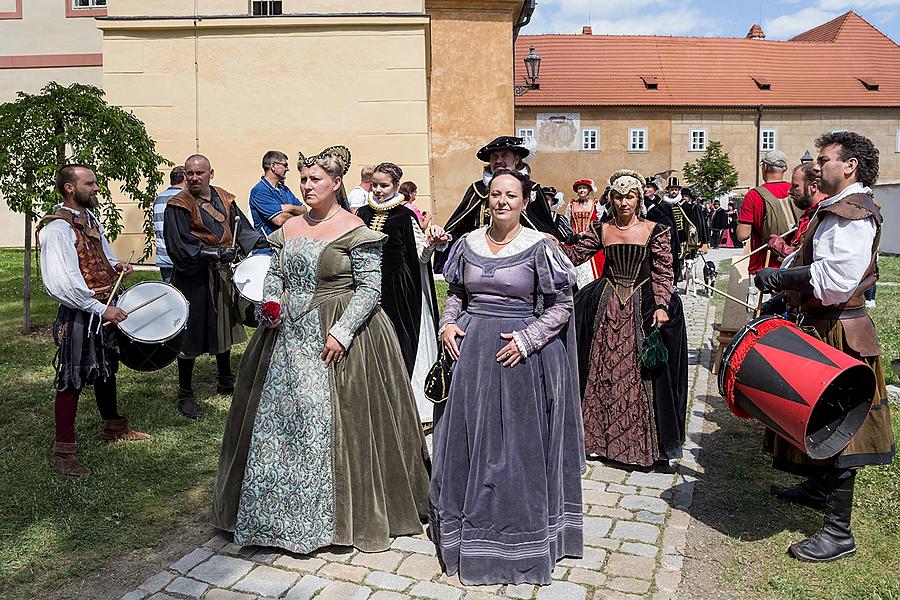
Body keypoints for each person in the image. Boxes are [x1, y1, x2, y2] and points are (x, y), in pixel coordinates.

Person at [211, 146, 429, 554]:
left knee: (325, 419)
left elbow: (369, 289)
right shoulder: (290, 228)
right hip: (285, 337)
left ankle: (332, 518)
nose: (306, 186)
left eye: (315, 180)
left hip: (338, 333)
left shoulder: (354, 229)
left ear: (335, 183)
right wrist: (270, 304)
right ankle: (270, 513)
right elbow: (274, 273)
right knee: (278, 421)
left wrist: (343, 331)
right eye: (304, 179)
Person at [430, 168, 584, 585]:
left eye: (510, 195)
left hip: (520, 361)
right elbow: (457, 293)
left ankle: (520, 541)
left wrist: (528, 339)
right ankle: (465, 536)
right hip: (472, 357)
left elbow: (561, 304)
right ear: (487, 198)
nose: (502, 202)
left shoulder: (539, 246)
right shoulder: (467, 244)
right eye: (496, 194)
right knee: (469, 443)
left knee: (516, 452)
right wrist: (448, 324)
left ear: (524, 201)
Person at [755, 131, 894, 562]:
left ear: (849, 165)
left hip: (840, 332)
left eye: (824, 159)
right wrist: (786, 291)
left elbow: (835, 280)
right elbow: (813, 265)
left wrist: (780, 279)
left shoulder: (851, 212)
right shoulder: (836, 209)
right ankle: (817, 489)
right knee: (817, 416)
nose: (817, 166)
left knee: (840, 428)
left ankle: (838, 533)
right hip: (824, 325)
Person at [561, 170, 684, 468]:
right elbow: (573, 254)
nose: (624, 202)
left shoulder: (656, 230)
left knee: (639, 374)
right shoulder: (603, 229)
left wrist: (661, 305)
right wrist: (543, 241)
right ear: (611, 198)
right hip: (606, 303)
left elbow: (664, 270)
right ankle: (597, 441)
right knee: (601, 369)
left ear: (639, 198)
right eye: (618, 196)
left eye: (630, 196)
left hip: (642, 303)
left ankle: (642, 447)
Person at [37, 164, 150, 476]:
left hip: (102, 304)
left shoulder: (88, 219)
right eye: (90, 183)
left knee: (106, 369)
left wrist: (117, 265)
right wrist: (102, 310)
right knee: (72, 378)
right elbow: (62, 285)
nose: (97, 188)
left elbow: (103, 254)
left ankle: (112, 427)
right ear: (70, 188)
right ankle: (63, 451)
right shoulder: (57, 230)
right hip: (79, 314)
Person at [164, 155, 265, 419]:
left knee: (224, 325)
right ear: (185, 176)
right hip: (192, 278)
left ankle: (225, 379)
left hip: (221, 275)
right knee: (190, 330)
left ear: (211, 173)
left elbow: (241, 228)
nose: (195, 178)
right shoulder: (178, 205)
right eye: (190, 173)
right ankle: (185, 392)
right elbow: (179, 246)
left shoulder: (225, 198)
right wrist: (214, 255)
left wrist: (260, 244)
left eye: (200, 173)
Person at [357, 163, 448, 428]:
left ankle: (413, 409)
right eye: (375, 184)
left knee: (405, 343)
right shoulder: (361, 213)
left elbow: (420, 256)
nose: (379, 190)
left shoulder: (405, 216)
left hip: (401, 291)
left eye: (384, 185)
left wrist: (432, 245)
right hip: (367, 286)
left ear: (396, 186)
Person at [434, 135, 562, 272]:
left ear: (517, 160)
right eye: (494, 157)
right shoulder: (477, 190)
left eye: (505, 155)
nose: (498, 160)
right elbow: (460, 229)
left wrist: (542, 236)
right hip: (480, 261)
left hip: (520, 263)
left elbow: (544, 229)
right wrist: (446, 238)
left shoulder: (532, 191)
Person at [736, 149, 798, 274]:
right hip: (794, 264)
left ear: (765, 167)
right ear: (785, 169)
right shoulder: (797, 191)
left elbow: (742, 235)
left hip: (764, 265)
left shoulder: (754, 195)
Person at [765, 162, 827, 260]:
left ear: (813, 187)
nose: (789, 191)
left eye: (795, 186)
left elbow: (812, 257)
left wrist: (783, 249)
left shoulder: (824, 215)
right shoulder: (811, 213)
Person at [248, 150, 306, 244]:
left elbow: (304, 210)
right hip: (268, 250)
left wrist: (289, 207)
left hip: (288, 246)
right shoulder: (259, 190)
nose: (287, 169)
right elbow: (280, 219)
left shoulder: (284, 189)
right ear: (273, 166)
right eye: (285, 165)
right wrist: (299, 217)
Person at [566, 178, 604, 286]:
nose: (582, 190)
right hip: (575, 240)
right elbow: (567, 221)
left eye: (584, 188)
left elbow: (600, 222)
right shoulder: (571, 205)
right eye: (579, 188)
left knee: (596, 270)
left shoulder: (595, 204)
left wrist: (589, 233)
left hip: (591, 241)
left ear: (588, 190)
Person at [153, 166, 186, 283]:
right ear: (185, 179)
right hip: (181, 257)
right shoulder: (185, 198)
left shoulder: (159, 198)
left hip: (163, 254)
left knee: (170, 295)